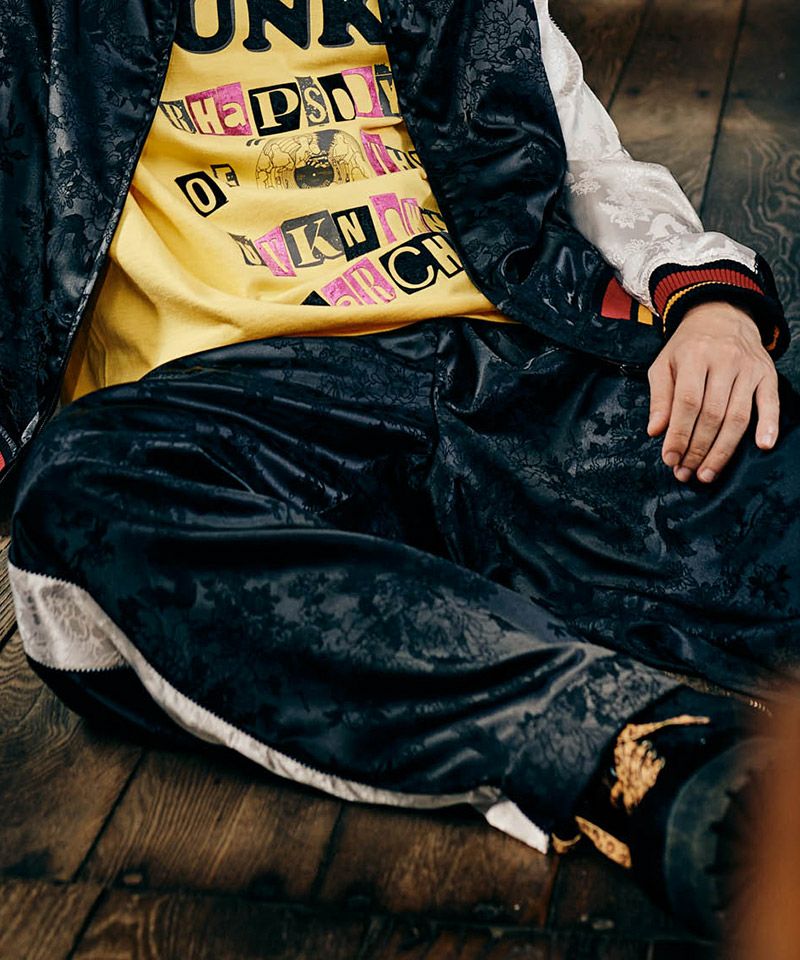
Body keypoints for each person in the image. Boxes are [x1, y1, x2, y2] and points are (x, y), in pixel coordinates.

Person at [2, 0, 796, 937]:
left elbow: (588, 160)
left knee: (759, 455)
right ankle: (645, 757)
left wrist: (707, 298)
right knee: (82, 495)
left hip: (503, 367)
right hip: (227, 412)